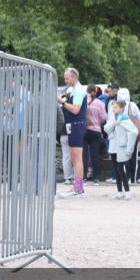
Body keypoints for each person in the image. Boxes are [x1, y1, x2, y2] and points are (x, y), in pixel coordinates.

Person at [57, 67, 87, 198]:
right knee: (75, 157)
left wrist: (62, 102)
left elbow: (75, 110)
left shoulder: (79, 91)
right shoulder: (74, 90)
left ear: (74, 77)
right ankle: (77, 186)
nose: (65, 81)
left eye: (67, 78)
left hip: (76, 125)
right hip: (73, 126)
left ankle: (78, 188)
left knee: (77, 157)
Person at [104, 99, 138, 200]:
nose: (113, 109)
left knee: (120, 169)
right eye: (113, 107)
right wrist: (113, 124)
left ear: (122, 108)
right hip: (113, 146)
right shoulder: (113, 118)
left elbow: (134, 132)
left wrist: (129, 147)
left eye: (115, 107)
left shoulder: (125, 119)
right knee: (116, 170)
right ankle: (119, 191)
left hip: (122, 147)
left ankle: (127, 191)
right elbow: (106, 128)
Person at [83, 85, 107, 185]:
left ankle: (83, 178)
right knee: (95, 154)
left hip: (84, 130)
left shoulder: (83, 101)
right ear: (95, 92)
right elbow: (104, 117)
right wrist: (97, 121)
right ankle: (96, 178)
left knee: (84, 154)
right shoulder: (100, 103)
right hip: (96, 130)